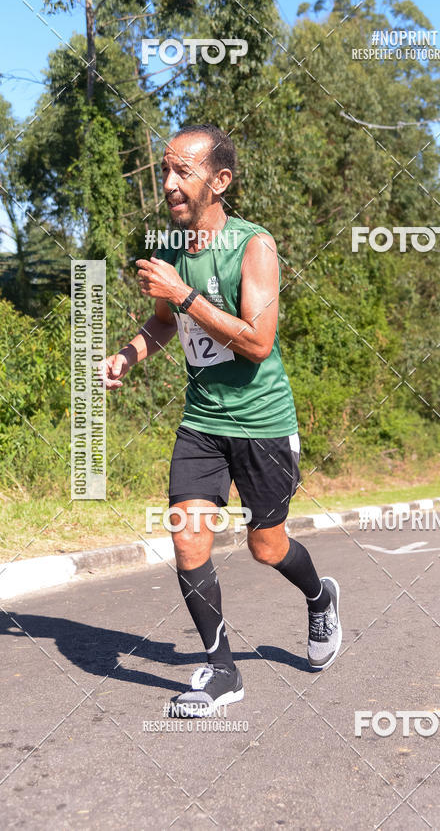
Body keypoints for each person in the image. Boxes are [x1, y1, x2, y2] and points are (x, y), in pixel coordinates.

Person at [101, 124, 341, 715]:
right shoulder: (173, 251)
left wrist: (185, 296)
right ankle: (220, 669)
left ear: (220, 180)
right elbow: (163, 323)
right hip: (203, 419)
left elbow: (258, 342)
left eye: (183, 171)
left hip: (261, 423)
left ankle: (318, 596)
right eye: (165, 170)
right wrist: (127, 355)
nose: (169, 184)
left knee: (267, 546)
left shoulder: (253, 246)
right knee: (186, 534)